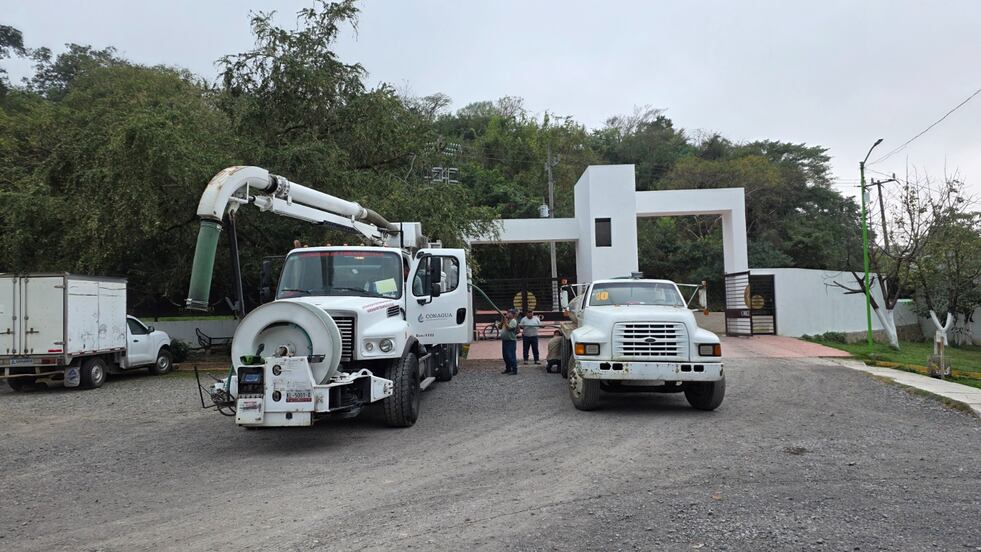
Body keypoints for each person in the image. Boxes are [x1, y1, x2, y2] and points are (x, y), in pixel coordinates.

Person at [500, 309, 519, 375]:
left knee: (511, 356)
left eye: (509, 313)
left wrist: (505, 321)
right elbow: (499, 327)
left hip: (511, 341)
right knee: (505, 356)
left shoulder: (513, 321)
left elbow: (510, 328)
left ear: (513, 314)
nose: (507, 314)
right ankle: (508, 369)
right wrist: (502, 320)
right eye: (507, 312)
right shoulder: (506, 320)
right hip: (505, 341)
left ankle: (514, 370)